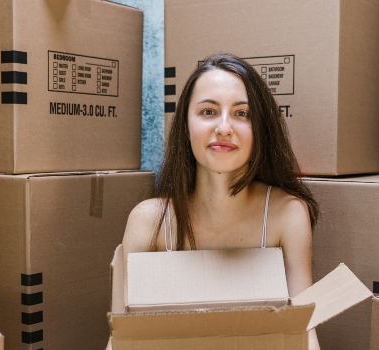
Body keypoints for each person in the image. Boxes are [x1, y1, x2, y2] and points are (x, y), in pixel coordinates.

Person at [116, 53, 320, 348]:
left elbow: (305, 331)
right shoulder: (149, 221)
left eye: (242, 113)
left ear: (260, 129)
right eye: (209, 111)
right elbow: (123, 336)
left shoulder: (286, 215)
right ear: (186, 125)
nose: (224, 127)